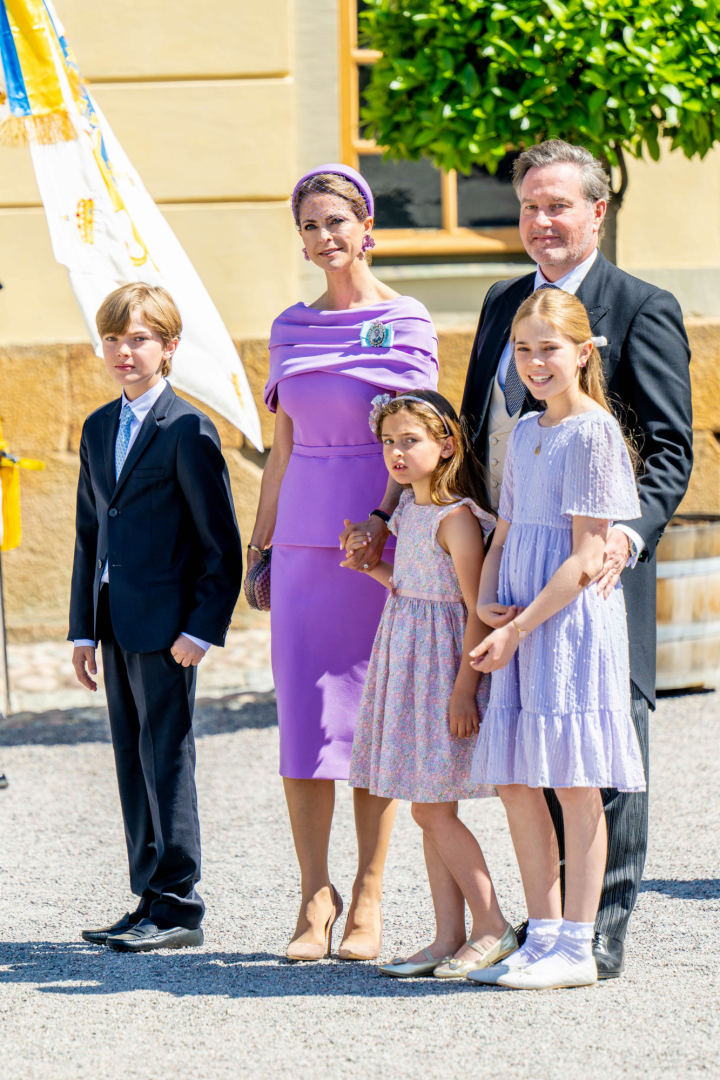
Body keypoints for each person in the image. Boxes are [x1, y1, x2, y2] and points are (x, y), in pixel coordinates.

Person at [461, 139, 693, 978]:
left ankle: (598, 934)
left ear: (598, 211)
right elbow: (478, 431)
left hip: (595, 570)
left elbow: (668, 446)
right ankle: (546, 927)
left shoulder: (642, 306)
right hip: (509, 562)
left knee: (600, 755)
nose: (542, 221)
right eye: (529, 206)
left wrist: (622, 543)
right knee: (527, 752)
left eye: (558, 205)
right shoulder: (501, 302)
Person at [248, 165, 438, 961]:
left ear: (368, 229)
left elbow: (419, 440)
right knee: (305, 724)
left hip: (378, 545)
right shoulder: (289, 328)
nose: (325, 238)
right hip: (300, 546)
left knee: (373, 722)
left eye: (337, 222)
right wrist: (257, 550)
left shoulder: (410, 319)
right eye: (310, 226)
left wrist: (385, 525)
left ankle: (368, 896)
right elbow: (281, 448)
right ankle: (311, 896)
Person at [468, 289, 645, 990]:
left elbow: (581, 559)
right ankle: (540, 936)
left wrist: (514, 629)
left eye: (549, 348)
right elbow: (506, 528)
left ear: (582, 352)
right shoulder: (529, 428)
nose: (536, 362)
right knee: (516, 779)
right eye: (524, 349)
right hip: (515, 618)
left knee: (573, 782)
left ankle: (577, 943)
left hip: (563, 626)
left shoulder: (593, 432)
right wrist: (485, 599)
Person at [70, 283, 242, 953]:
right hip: (115, 621)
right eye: (113, 338)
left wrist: (201, 627)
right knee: (130, 755)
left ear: (169, 348)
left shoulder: (187, 430)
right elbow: (91, 532)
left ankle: (178, 906)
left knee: (166, 757)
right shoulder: (96, 427)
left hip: (170, 630)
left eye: (138, 338)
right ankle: (148, 893)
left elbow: (218, 543)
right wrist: (83, 627)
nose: (123, 351)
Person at [344, 390, 517, 980]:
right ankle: (448, 935)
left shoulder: (457, 518)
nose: (395, 452)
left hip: (443, 669)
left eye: (409, 440)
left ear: (446, 446)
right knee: (427, 804)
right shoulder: (410, 514)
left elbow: (475, 607)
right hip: (407, 660)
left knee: (433, 810)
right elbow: (415, 588)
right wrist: (373, 568)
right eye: (388, 442)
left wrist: (465, 688)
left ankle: (494, 925)